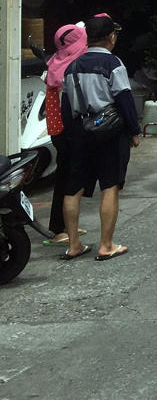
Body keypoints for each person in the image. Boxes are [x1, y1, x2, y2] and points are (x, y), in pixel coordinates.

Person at [59, 14, 140, 261]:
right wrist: (135, 130)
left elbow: (66, 105)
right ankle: (106, 245)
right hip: (109, 133)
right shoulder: (113, 64)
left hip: (80, 134)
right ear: (110, 37)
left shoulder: (71, 66)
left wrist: (74, 135)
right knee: (109, 186)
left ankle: (73, 244)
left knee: (73, 188)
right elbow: (125, 99)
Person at [41, 23, 88, 247]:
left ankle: (66, 225)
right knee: (67, 180)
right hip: (67, 131)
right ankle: (59, 228)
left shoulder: (56, 62)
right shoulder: (68, 68)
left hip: (58, 130)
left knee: (68, 177)